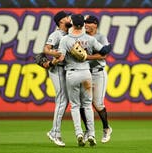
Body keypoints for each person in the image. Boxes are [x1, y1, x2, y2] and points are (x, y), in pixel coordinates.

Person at [57, 14, 110, 147]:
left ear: (72, 24)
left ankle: (79, 133)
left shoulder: (65, 39)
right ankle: (91, 134)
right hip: (87, 74)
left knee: (75, 106)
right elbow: (104, 50)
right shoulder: (89, 39)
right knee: (87, 105)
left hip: (72, 74)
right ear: (82, 25)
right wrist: (109, 46)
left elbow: (61, 58)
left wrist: (51, 59)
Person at [80, 15, 112, 143]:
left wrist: (87, 57)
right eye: (84, 22)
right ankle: (88, 130)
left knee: (98, 104)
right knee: (83, 104)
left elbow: (103, 55)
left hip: (98, 73)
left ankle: (106, 128)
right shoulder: (81, 36)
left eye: (89, 22)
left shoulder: (100, 37)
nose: (86, 24)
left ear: (95, 24)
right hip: (85, 73)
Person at [44, 11, 72, 147]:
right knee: (62, 100)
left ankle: (55, 131)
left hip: (67, 70)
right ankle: (54, 132)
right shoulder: (56, 34)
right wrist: (53, 52)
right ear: (61, 21)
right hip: (57, 70)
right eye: (67, 17)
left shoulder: (70, 33)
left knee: (65, 101)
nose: (69, 18)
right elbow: (46, 49)